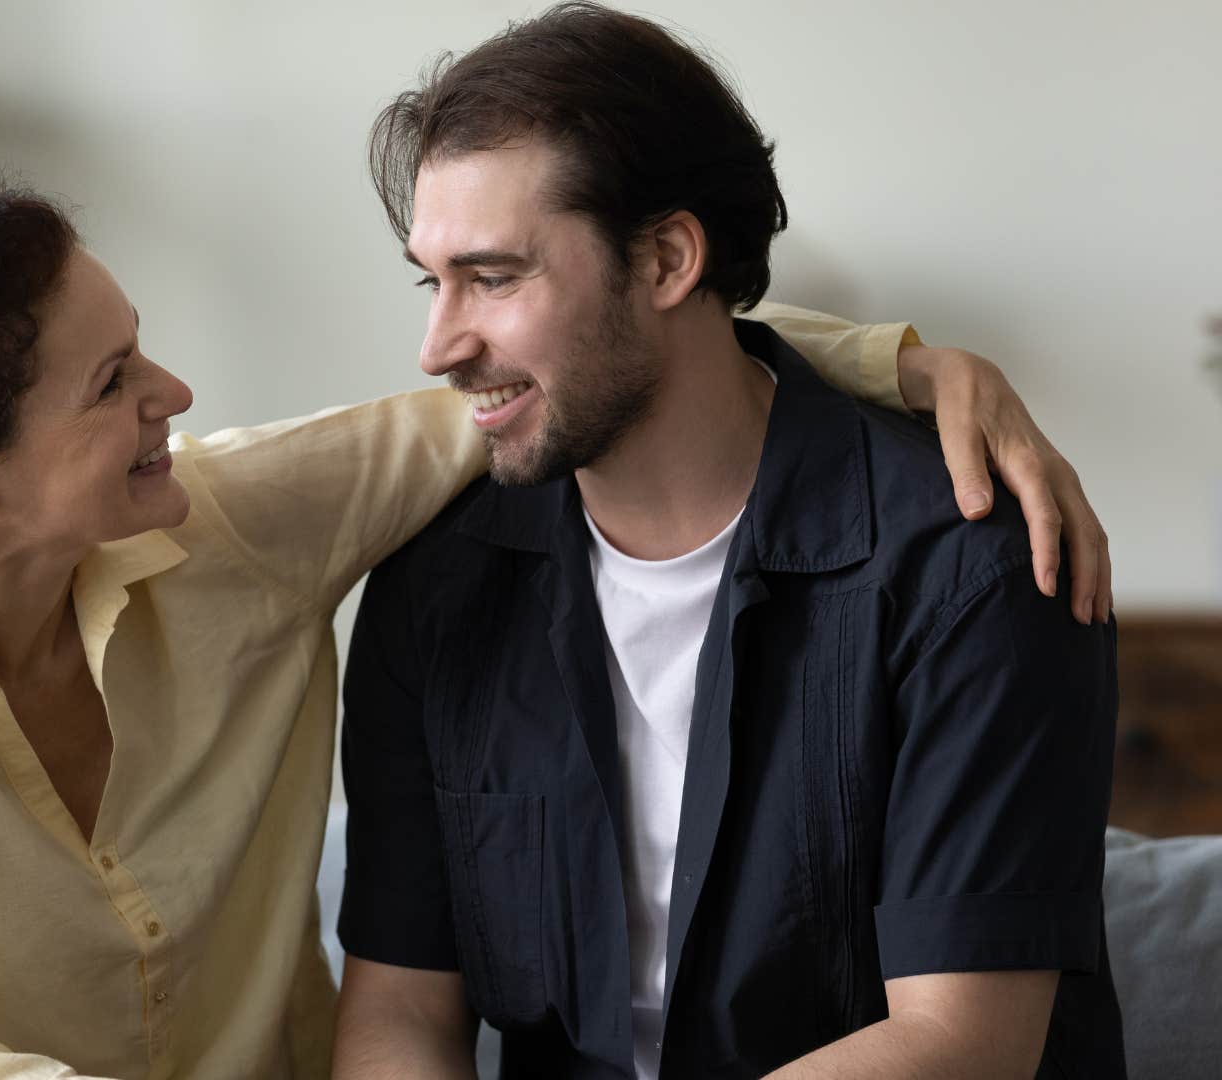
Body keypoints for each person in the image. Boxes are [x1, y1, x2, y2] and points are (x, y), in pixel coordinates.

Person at [0, 170, 1105, 1077]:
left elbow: (560, 382)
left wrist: (911, 369)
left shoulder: (224, 526)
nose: (172, 392)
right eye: (110, 382)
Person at [332, 5, 1122, 1078]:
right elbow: (399, 1021)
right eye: (436, 282)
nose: (438, 346)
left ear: (665, 258)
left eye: (497, 277)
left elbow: (960, 1044)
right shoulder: (438, 585)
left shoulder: (972, 566)